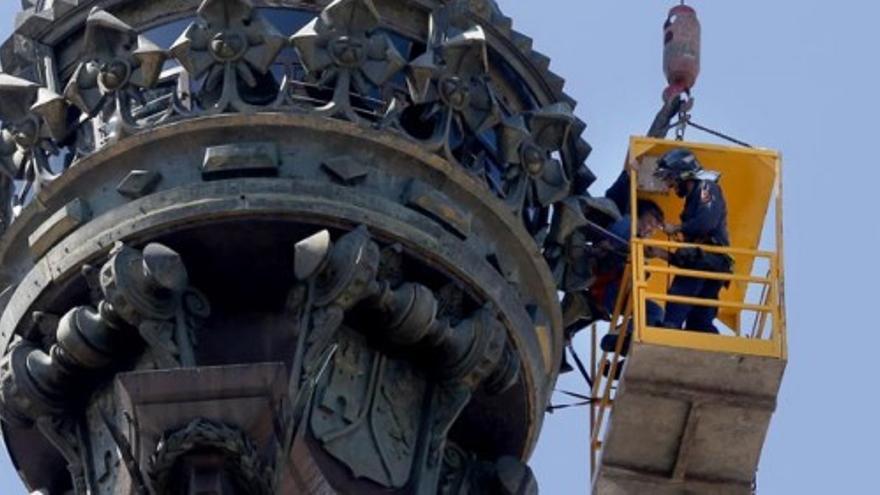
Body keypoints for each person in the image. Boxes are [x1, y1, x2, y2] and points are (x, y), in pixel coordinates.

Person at [653, 148, 733, 333]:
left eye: (671, 179)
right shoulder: (695, 195)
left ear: (682, 173)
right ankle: (712, 351)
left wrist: (678, 227)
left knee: (681, 292)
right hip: (711, 261)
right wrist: (661, 253)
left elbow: (707, 221)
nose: (670, 186)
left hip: (710, 259)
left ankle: (670, 329)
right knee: (700, 319)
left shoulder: (706, 187)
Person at [593, 200, 666, 356]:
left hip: (617, 292)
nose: (651, 230)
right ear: (639, 216)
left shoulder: (637, 241)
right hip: (608, 287)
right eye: (650, 223)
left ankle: (622, 337)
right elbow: (612, 248)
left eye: (655, 228)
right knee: (654, 311)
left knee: (655, 312)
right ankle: (623, 335)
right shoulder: (627, 224)